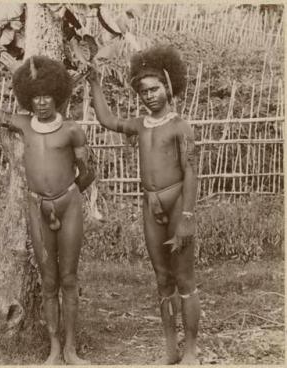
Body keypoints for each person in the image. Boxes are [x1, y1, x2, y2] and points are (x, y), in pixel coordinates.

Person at [0, 48, 95, 365]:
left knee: (69, 279)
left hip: (68, 207)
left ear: (58, 96)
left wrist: (66, 195)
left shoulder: (72, 130)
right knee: (49, 281)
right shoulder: (23, 124)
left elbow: (88, 173)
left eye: (47, 96)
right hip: (36, 208)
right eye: (36, 97)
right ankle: (54, 349)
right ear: (28, 98)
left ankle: (71, 349)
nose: (41, 102)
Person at [87, 45, 200, 365]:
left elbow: (191, 171)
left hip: (178, 203)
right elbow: (107, 120)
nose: (149, 95)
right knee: (162, 277)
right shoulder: (139, 125)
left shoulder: (180, 126)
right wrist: (94, 83)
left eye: (154, 89)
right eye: (143, 91)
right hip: (151, 207)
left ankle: (191, 348)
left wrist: (188, 216)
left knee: (184, 278)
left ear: (168, 86)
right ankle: (170, 348)